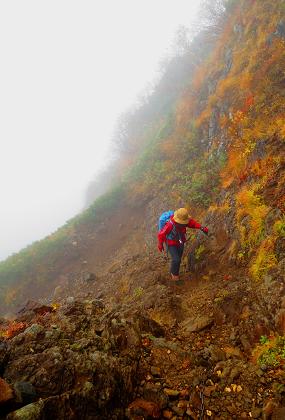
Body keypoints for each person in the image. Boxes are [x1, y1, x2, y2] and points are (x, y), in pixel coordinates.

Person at [157, 208, 208, 281]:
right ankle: (174, 276)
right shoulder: (170, 225)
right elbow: (161, 234)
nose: (185, 223)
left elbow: (192, 223)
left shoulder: (184, 220)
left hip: (180, 240)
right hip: (171, 242)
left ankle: (174, 270)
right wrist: (160, 244)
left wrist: (201, 227)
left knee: (179, 257)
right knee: (176, 259)